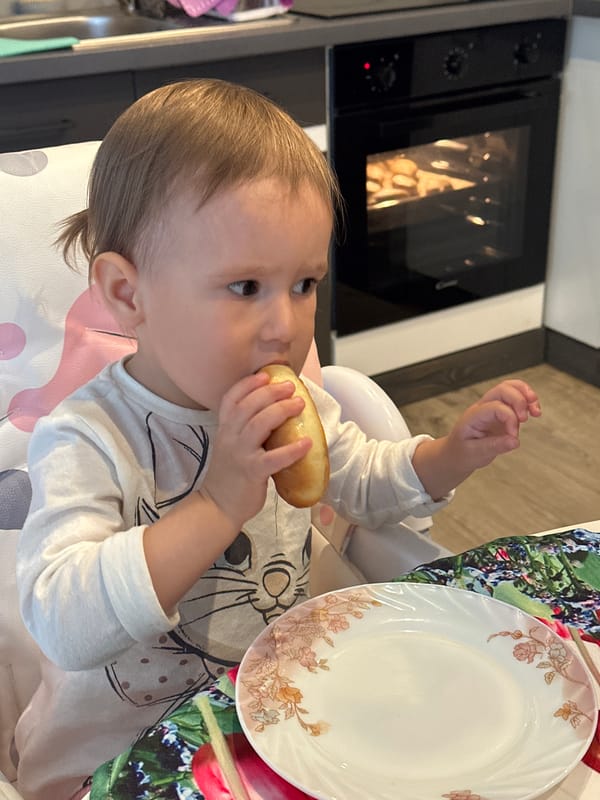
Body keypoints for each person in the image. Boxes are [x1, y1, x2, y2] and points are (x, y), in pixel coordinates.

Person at [15, 78, 541, 800]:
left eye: (303, 284)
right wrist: (217, 503)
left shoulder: (300, 406)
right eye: (245, 288)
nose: (286, 326)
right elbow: (62, 622)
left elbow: (365, 484)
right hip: (115, 759)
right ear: (128, 294)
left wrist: (449, 454)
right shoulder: (87, 439)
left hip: (271, 718)